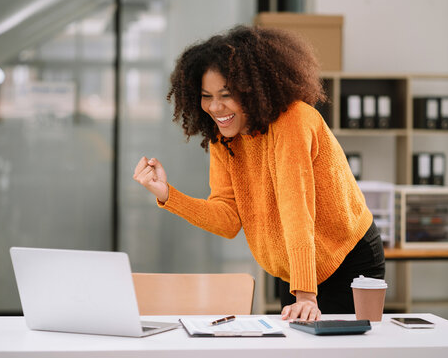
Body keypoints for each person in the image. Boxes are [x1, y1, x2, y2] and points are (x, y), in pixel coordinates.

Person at [133, 25, 385, 321]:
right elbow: (227, 219)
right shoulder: (223, 136)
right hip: (296, 267)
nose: (215, 107)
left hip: (346, 257)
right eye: (206, 95)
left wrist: (305, 295)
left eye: (226, 94)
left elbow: (296, 210)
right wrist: (167, 195)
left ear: (252, 89)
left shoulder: (293, 122)